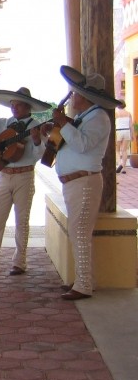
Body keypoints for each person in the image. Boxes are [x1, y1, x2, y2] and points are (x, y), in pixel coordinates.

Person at [41, 66, 120, 300]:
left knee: (80, 233)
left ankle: (84, 285)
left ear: (85, 96)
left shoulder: (98, 118)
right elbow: (67, 143)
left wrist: (62, 123)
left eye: (75, 93)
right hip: (75, 183)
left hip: (84, 182)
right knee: (79, 232)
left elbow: (83, 145)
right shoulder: (84, 117)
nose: (72, 96)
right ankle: (85, 280)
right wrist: (54, 129)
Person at [0, 87, 50, 276]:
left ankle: (20, 262)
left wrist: (37, 141)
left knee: (21, 220)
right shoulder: (3, 124)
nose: (14, 107)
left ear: (28, 107)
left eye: (19, 104)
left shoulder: (37, 125)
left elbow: (38, 156)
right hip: (3, 173)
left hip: (24, 175)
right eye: (13, 104)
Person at [114, 100, 133, 174]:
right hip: (127, 131)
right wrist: (132, 135)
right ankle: (124, 168)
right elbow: (131, 125)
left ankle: (120, 164)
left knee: (117, 150)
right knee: (124, 150)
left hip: (118, 131)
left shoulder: (116, 113)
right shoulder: (128, 113)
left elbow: (114, 124)